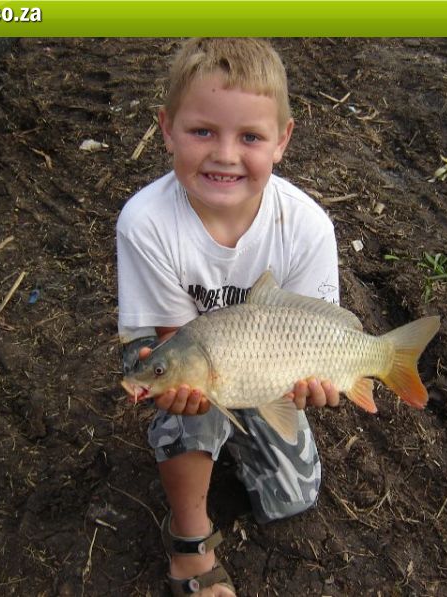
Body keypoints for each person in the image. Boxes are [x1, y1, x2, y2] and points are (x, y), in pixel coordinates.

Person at [116, 38, 340, 597]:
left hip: (270, 365)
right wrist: (188, 382)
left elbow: (321, 331)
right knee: (189, 398)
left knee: (295, 495)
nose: (225, 154)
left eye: (250, 137)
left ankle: (233, 441)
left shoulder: (307, 226)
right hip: (180, 349)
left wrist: (316, 384)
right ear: (166, 129)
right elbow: (175, 340)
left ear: (283, 140)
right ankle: (190, 540)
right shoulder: (146, 223)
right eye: (202, 131)